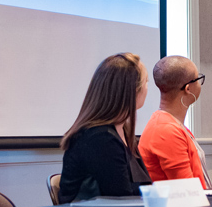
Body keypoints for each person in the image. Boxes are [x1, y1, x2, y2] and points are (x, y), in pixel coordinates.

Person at [58, 53, 151, 203]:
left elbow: (144, 190)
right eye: (147, 82)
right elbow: (123, 199)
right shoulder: (101, 139)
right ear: (133, 91)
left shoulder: (123, 131)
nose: (148, 88)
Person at [139, 56, 212, 189]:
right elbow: (188, 191)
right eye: (198, 79)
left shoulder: (172, 124)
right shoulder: (166, 130)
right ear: (188, 89)